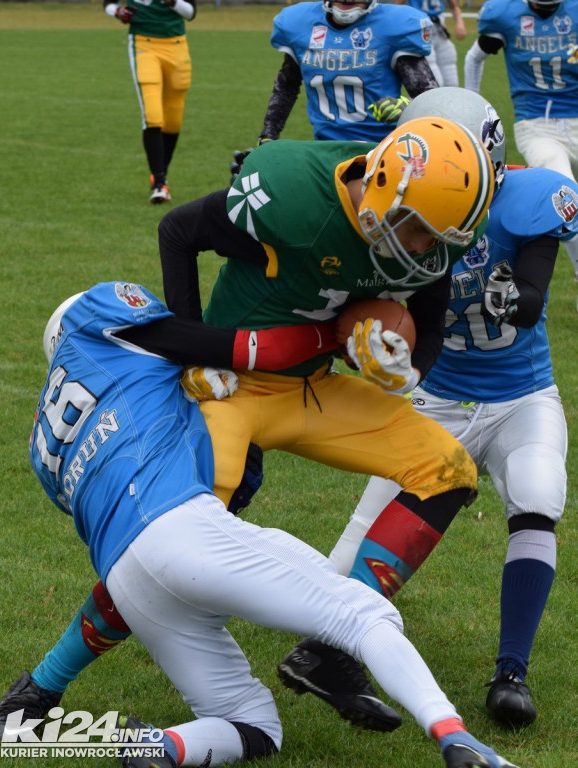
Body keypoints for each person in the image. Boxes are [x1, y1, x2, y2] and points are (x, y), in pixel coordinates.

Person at [0, 119, 496, 743]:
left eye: (437, 238)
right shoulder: (291, 188)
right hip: (233, 386)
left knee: (446, 469)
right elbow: (179, 229)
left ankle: (326, 653)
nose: (423, 248)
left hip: (314, 386)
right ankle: (43, 683)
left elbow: (428, 324)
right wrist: (193, 350)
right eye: (416, 228)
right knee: (165, 537)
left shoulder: (434, 239)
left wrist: (403, 368)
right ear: (385, 186)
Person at [5, 281, 521, 768]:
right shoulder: (104, 316)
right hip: (183, 528)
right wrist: (332, 335)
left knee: (256, 726)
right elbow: (198, 340)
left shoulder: (40, 449)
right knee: (363, 614)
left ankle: (158, 745)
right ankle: (457, 737)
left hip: (126, 577)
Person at [282, 87, 578, 731]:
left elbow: (531, 294)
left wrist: (508, 297)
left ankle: (512, 670)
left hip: (520, 393)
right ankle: (321, 648)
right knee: (354, 547)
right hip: (432, 395)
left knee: (538, 492)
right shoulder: (393, 210)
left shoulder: (528, 199)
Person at [464, 0, 578, 281]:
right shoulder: (506, 15)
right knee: (566, 195)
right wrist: (471, 106)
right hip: (537, 123)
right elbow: (473, 58)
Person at [255, 0, 438, 145]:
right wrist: (268, 136)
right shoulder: (301, 24)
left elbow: (433, 99)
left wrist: (408, 107)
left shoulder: (393, 26)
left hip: (382, 149)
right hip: (326, 149)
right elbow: (287, 86)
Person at [104, 0, 197, 204]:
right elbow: (108, 4)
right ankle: (160, 184)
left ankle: (159, 174)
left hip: (176, 45)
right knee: (153, 115)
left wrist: (173, 2)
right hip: (143, 44)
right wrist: (117, 12)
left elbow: (190, 12)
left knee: (173, 119)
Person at [395, 1, 467, 86]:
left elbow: (454, 6)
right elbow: (398, 6)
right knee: (434, 81)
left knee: (452, 82)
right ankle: (422, 98)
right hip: (420, 32)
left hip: (440, 31)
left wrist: (460, 23)